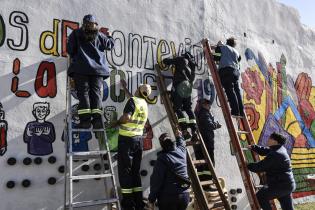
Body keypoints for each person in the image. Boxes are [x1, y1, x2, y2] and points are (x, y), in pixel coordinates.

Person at [67, 14, 114, 129]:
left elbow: (70, 50)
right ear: (95, 24)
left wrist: (74, 55)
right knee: (96, 94)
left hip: (81, 69)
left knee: (83, 94)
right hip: (97, 71)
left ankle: (86, 121)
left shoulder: (76, 33)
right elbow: (110, 45)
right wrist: (110, 36)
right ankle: (97, 121)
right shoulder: (99, 35)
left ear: (83, 24)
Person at [114, 82, 151, 210]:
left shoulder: (133, 101)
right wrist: (125, 89)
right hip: (138, 141)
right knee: (135, 172)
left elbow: (127, 117)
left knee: (125, 172)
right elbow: (133, 99)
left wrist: (117, 122)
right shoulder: (144, 104)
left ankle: (128, 204)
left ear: (138, 90)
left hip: (127, 140)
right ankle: (139, 203)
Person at [247, 132, 296, 210]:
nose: (268, 139)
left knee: (260, 196)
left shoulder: (275, 154)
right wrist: (254, 147)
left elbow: (260, 167)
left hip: (280, 185)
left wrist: (247, 165)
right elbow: (266, 150)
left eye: (269, 138)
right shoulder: (280, 149)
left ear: (274, 141)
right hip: (287, 185)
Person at [148, 129, 190, 210]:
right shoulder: (181, 151)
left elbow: (156, 181)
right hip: (184, 196)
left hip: (169, 198)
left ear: (162, 145)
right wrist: (179, 136)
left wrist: (151, 200)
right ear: (172, 141)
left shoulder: (162, 159)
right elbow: (181, 144)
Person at [163, 52, 197, 139]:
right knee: (188, 108)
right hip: (188, 87)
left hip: (180, 85)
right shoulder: (192, 65)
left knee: (177, 108)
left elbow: (165, 61)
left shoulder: (181, 59)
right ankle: (194, 130)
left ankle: (184, 130)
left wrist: (174, 59)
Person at [213, 37, 244, 116]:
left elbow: (216, 57)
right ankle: (241, 112)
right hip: (236, 72)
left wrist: (217, 48)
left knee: (229, 90)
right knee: (237, 92)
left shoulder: (221, 47)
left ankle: (235, 111)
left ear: (227, 42)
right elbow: (239, 59)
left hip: (226, 70)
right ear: (233, 44)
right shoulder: (236, 52)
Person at [194, 98, 221, 180]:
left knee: (201, 164)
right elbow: (209, 125)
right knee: (209, 162)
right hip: (207, 142)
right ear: (204, 105)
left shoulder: (200, 113)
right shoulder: (204, 113)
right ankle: (208, 181)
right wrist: (216, 125)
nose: (210, 106)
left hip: (201, 143)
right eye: (208, 104)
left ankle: (203, 181)